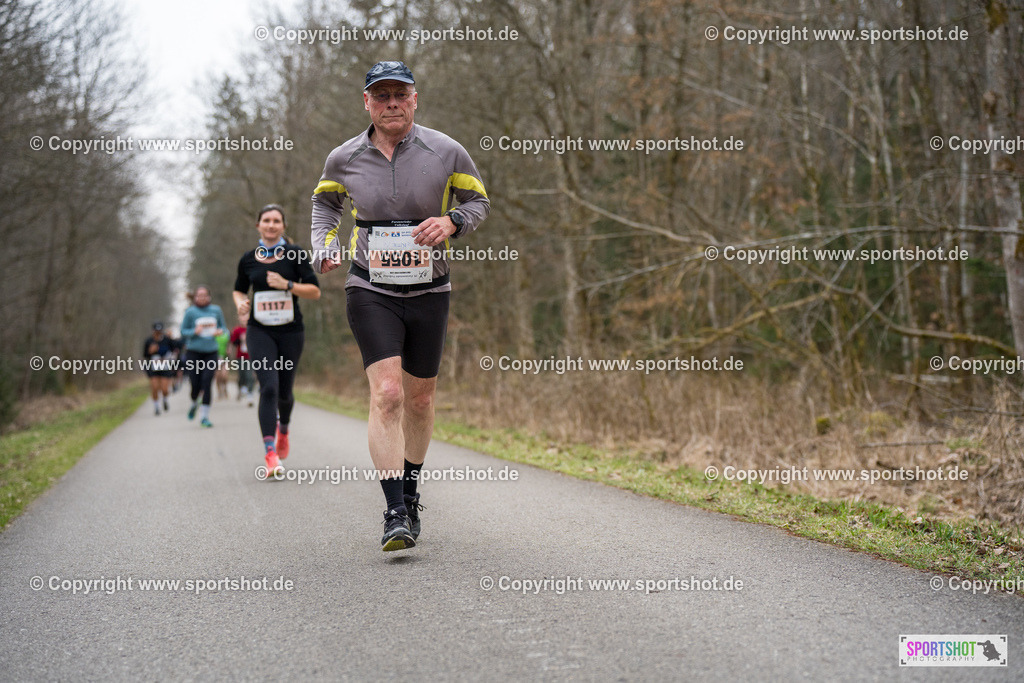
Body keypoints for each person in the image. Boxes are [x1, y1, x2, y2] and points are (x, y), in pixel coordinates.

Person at [310, 61, 489, 551]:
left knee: (420, 399)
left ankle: (410, 493)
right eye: (381, 95)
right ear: (366, 102)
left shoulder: (447, 150)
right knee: (388, 393)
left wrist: (452, 222)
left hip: (430, 289)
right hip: (370, 286)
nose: (391, 103)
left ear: (414, 99)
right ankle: (393, 513)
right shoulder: (343, 157)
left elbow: (479, 202)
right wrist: (325, 243)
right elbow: (325, 204)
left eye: (400, 94)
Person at [233, 204, 321, 477]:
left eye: (276, 221)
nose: (271, 225)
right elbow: (238, 290)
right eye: (266, 220)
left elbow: (315, 291)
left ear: (283, 226)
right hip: (259, 331)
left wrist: (288, 285)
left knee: (284, 391)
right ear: (258, 225)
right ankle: (270, 454)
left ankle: (284, 430)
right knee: (268, 387)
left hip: (291, 331)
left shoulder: (295, 254)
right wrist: (241, 304)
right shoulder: (248, 259)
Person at [180, 286, 227, 428]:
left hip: (211, 352)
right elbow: (183, 331)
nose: (202, 298)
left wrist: (220, 331)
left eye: (205, 295)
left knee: (207, 382)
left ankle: (204, 417)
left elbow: (224, 329)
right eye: (199, 295)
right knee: (195, 383)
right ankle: (195, 402)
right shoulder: (190, 312)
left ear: (209, 297)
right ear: (195, 297)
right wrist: (194, 331)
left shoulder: (216, 310)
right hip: (193, 352)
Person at [142, 322, 175, 415]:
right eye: (156, 331)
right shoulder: (149, 341)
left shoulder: (167, 340)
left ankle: (165, 399)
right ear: (153, 331)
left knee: (164, 389)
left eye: (160, 331)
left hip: (165, 366)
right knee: (155, 387)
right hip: (153, 366)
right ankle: (156, 406)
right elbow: (145, 355)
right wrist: (150, 351)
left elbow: (174, 350)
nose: (158, 333)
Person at [230, 312, 256, 407]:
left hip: (251, 356)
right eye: (242, 317)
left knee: (250, 376)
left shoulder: (253, 329)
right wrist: (241, 340)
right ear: (239, 318)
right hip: (240, 356)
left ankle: (250, 395)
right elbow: (233, 342)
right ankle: (241, 388)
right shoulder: (237, 330)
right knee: (242, 375)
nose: (244, 319)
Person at [215, 328, 230, 400]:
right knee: (218, 376)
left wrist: (228, 349)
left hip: (225, 358)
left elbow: (229, 343)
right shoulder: (214, 334)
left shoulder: (226, 333)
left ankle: (225, 388)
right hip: (216, 358)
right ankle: (219, 392)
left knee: (224, 376)